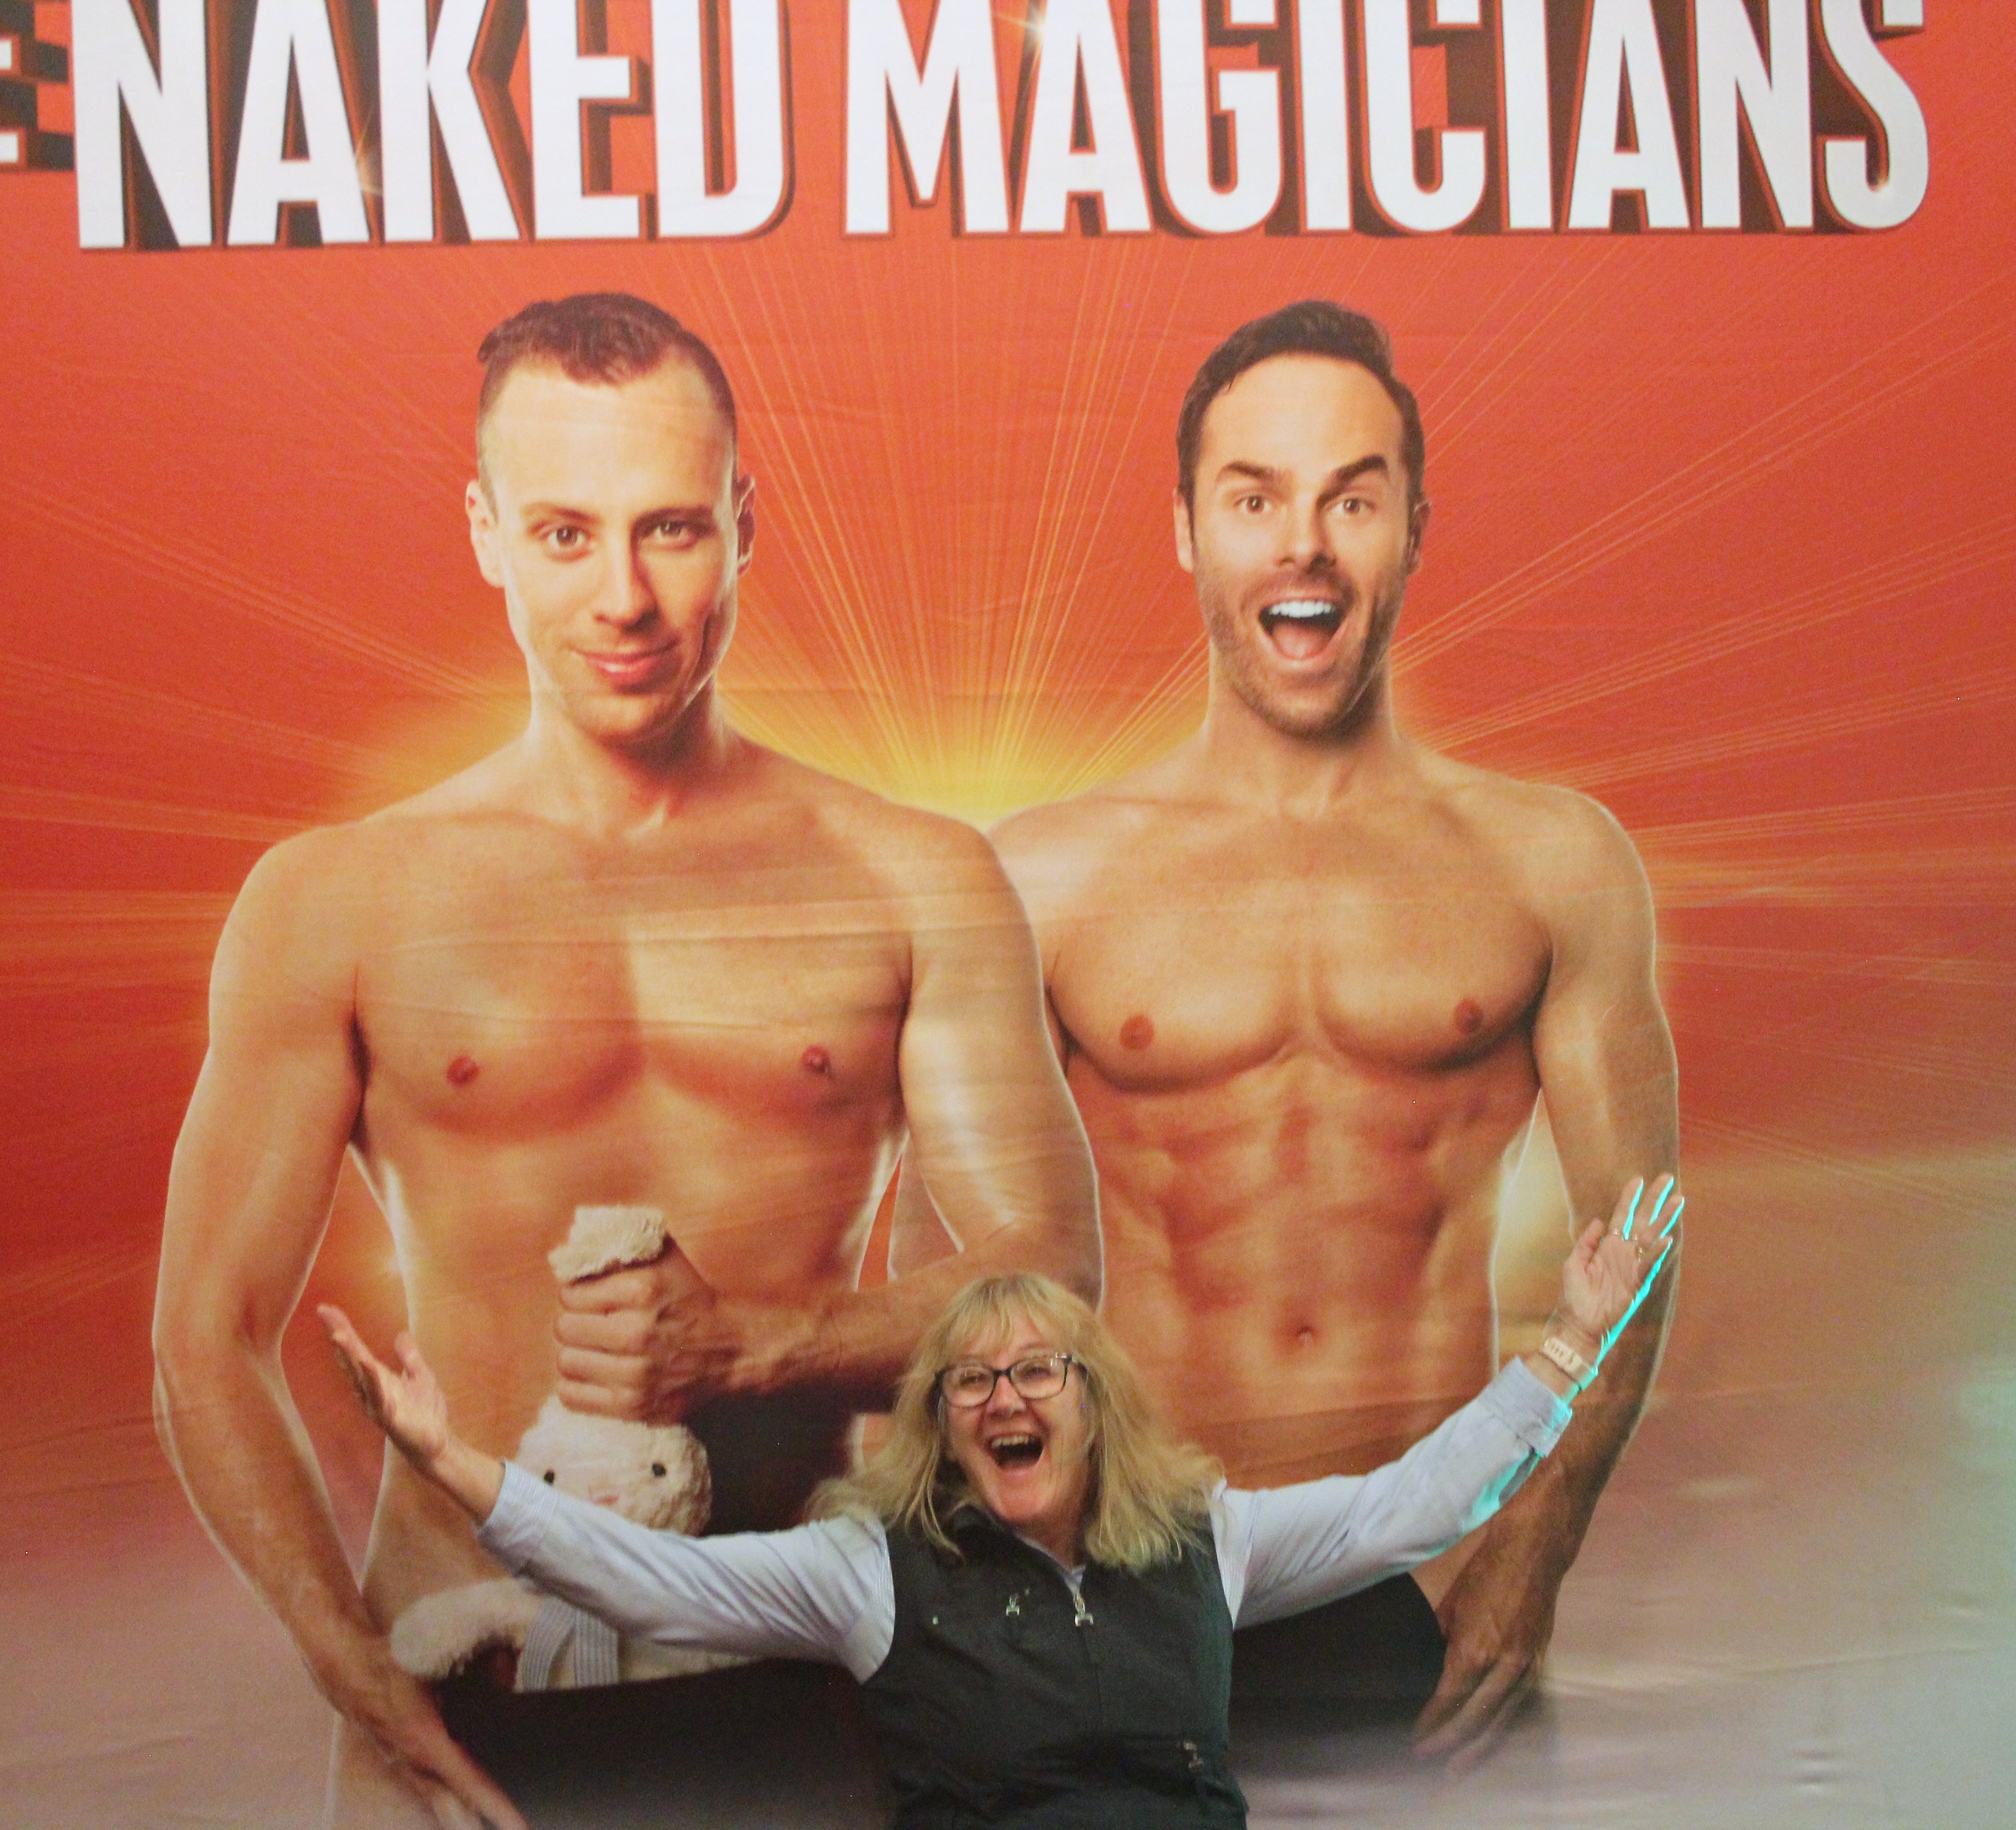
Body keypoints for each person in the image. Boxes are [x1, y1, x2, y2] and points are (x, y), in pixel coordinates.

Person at [152, 294, 1099, 1829]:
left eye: (670, 529)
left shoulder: (911, 877)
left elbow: (1047, 1273)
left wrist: (754, 1351)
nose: (625, 597)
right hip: (465, 1669)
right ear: (485, 534)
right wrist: (353, 1668)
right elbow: (207, 1332)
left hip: (805, 1666)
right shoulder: (336, 901)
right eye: (563, 535)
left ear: (742, 524)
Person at [893, 299, 1681, 1762]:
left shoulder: (1548, 860)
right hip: (1117, 1587)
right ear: (1186, 530)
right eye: (1253, 499)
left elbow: (1639, 1236)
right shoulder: (1043, 877)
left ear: (1413, 531)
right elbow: (931, 1291)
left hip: (1425, 1590)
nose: (1302, 544)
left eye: (1351, 500)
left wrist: (1531, 1552)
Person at [324, 1181, 1679, 1828]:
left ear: (1091, 1402)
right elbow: (645, 1582)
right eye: (968, 1381)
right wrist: (450, 1461)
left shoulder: (1210, 1544)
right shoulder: (870, 1571)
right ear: (940, 1425)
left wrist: (1571, 1344)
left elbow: (1410, 1509)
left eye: (1036, 1371)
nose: (1002, 1397)